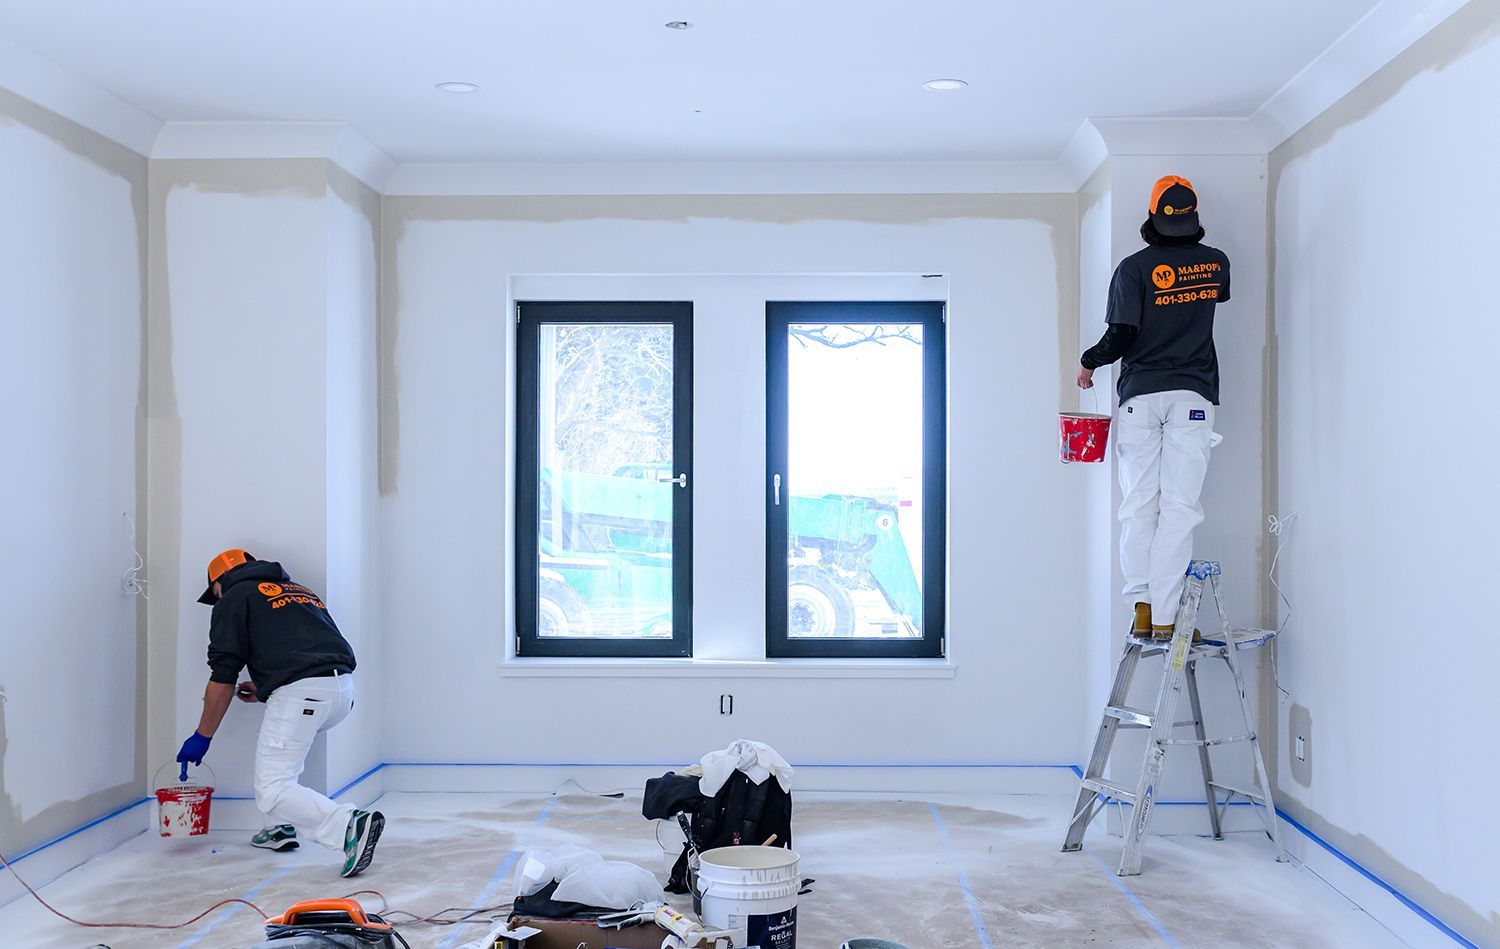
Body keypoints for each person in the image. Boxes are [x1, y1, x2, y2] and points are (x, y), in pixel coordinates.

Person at [1077, 175, 1229, 639]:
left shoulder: (1133, 269)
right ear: (1194, 218)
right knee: (1179, 508)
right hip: (1192, 397)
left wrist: (1088, 363)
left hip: (1140, 399)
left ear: (1153, 215)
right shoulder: (1215, 264)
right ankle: (1166, 617)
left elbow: (1121, 335)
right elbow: (1207, 302)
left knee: (1138, 505)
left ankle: (1141, 605)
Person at [176, 548, 384, 877]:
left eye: (214, 593)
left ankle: (347, 825)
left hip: (303, 694)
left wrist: (202, 736)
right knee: (277, 750)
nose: (216, 600)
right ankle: (277, 829)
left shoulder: (234, 596)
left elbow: (223, 677)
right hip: (341, 692)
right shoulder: (299, 591)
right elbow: (304, 647)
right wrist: (266, 687)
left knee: (273, 788)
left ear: (218, 582)